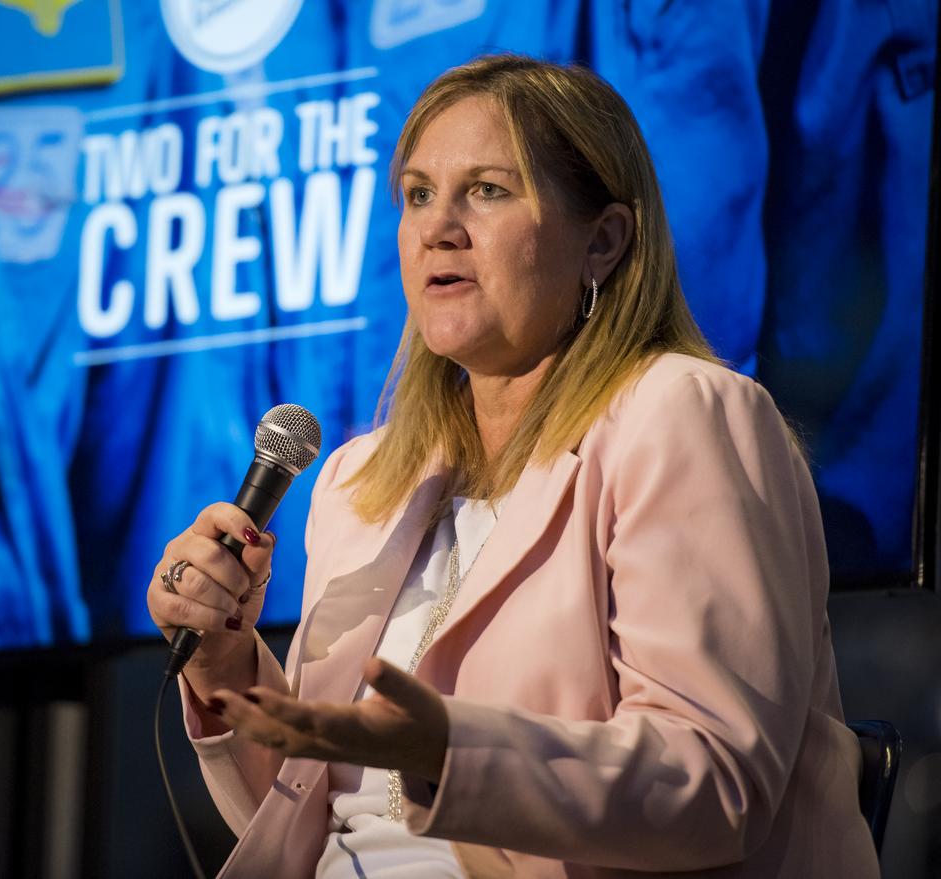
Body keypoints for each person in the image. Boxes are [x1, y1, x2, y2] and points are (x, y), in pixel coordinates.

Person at [146, 54, 879, 878]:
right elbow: (302, 818)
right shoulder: (360, 481)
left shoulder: (683, 414)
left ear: (602, 240)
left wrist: (452, 751)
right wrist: (221, 666)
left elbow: (710, 780)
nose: (438, 227)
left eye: (488, 190)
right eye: (418, 194)